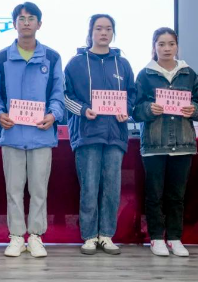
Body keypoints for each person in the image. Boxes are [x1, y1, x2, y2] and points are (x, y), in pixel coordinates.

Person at [0, 1, 64, 258]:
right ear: (14, 24)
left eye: (31, 18)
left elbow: (58, 94)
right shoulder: (1, 58)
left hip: (41, 135)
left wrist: (53, 115)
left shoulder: (52, 57)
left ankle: (35, 236)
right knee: (13, 190)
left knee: (39, 190)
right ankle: (15, 237)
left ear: (39, 24)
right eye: (21, 19)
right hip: (11, 135)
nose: (26, 23)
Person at [64, 14, 136, 255]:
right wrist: (83, 110)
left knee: (112, 188)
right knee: (89, 186)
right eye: (98, 28)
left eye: (108, 29)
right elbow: (65, 96)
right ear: (91, 32)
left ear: (113, 32)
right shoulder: (76, 63)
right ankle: (88, 236)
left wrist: (127, 110)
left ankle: (106, 235)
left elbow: (132, 95)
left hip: (115, 135)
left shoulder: (123, 64)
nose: (104, 33)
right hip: (87, 134)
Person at [133, 27, 198, 257]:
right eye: (161, 44)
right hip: (154, 144)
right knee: (154, 195)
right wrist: (148, 109)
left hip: (183, 144)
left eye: (171, 44)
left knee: (176, 196)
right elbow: (134, 110)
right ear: (154, 47)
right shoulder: (144, 75)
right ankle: (156, 238)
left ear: (177, 46)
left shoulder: (189, 74)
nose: (167, 48)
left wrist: (194, 109)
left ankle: (174, 238)